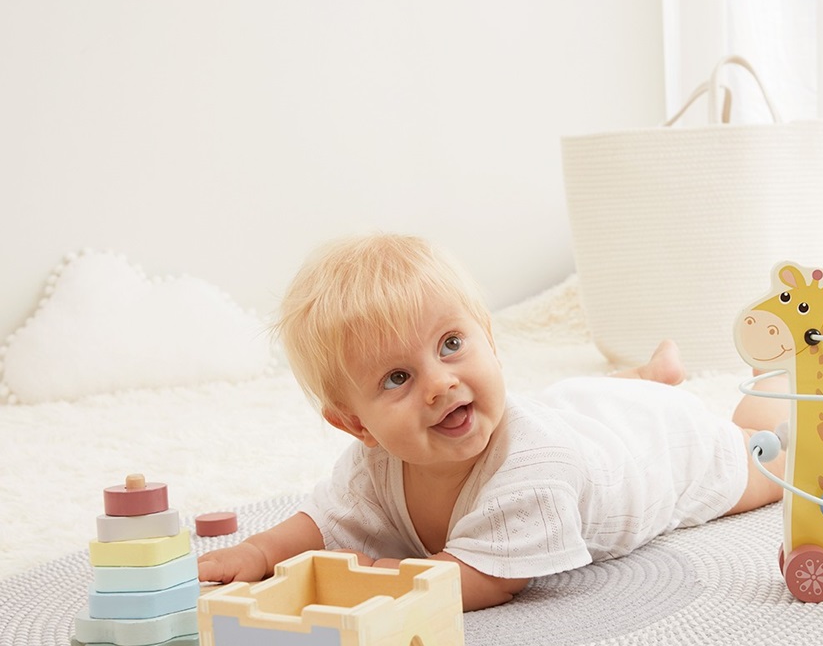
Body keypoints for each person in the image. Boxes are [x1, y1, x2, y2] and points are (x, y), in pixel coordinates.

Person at [197, 233, 786, 611]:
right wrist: (259, 551)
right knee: (583, 401)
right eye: (397, 378)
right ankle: (643, 378)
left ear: (491, 341)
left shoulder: (533, 470)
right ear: (357, 426)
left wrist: (389, 580)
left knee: (770, 458)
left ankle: (772, 381)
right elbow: (324, 521)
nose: (439, 383)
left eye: (452, 344)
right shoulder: (371, 468)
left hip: (656, 447)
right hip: (577, 413)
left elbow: (488, 577)